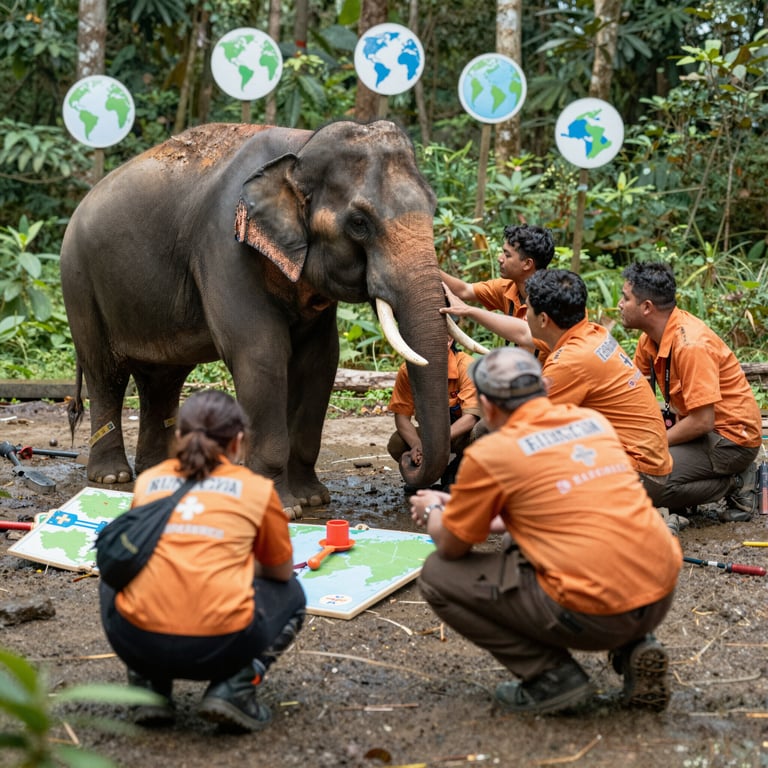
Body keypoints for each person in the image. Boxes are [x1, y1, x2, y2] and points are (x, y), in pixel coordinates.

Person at [409, 347, 682, 715]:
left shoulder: (491, 453)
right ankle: (635, 644)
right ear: (545, 389)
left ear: (487, 407)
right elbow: (554, 508)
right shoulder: (592, 423)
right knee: (517, 540)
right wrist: (459, 510)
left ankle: (552, 678)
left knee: (437, 575)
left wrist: (433, 513)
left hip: (594, 613)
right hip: (660, 594)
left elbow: (453, 546)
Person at [99, 390, 306, 732]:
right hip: (220, 647)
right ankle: (235, 687)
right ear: (239, 443)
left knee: (117, 566)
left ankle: (148, 686)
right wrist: (236, 560)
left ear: (178, 437)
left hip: (137, 640)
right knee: (293, 594)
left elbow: (139, 553)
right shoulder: (257, 489)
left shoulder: (149, 481)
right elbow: (280, 571)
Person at [619, 262, 762, 522]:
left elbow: (703, 420)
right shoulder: (649, 338)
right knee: (632, 462)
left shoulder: (691, 344)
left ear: (647, 307)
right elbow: (633, 395)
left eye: (625, 298)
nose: (619, 304)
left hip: (730, 440)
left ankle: (737, 481)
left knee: (645, 482)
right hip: (699, 430)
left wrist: (653, 442)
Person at [523, 269, 673, 509]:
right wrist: (468, 309)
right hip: (645, 463)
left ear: (543, 320)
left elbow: (525, 426)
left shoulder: (570, 361)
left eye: (526, 309)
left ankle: (635, 522)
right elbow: (523, 333)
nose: (523, 316)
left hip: (637, 474)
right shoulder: (590, 333)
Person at [440, 224, 555, 359]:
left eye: (507, 255)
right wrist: (426, 267)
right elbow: (464, 290)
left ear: (527, 264)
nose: (500, 259)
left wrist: (468, 310)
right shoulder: (508, 287)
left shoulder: (556, 298)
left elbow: (525, 334)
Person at [388, 335, 481, 491]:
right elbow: (402, 418)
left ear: (449, 340)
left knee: (481, 433)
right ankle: (430, 474)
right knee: (397, 443)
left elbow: (470, 419)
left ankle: (458, 469)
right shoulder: (408, 370)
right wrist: (417, 445)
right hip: (430, 434)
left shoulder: (466, 366)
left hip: (463, 435)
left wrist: (435, 442)